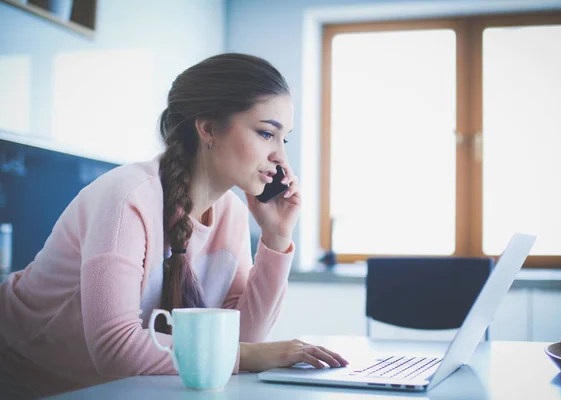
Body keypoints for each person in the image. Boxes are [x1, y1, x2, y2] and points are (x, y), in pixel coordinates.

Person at [0, 53, 348, 398]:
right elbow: (113, 347)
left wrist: (276, 236)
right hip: (16, 375)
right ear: (208, 128)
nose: (281, 158)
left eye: (283, 138)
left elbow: (241, 338)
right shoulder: (126, 198)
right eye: (265, 133)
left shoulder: (233, 214)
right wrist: (249, 356)